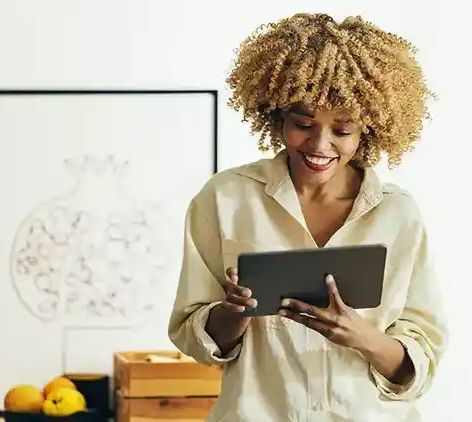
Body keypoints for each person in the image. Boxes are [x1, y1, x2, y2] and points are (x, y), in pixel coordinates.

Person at [168, 12, 448, 421]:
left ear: (367, 129)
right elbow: (192, 336)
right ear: (276, 116)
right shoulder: (225, 199)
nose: (320, 144)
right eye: (303, 123)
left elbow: (422, 356)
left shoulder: (397, 213)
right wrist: (233, 313)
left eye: (343, 129)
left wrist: (364, 338)